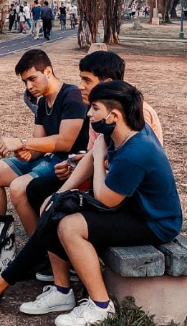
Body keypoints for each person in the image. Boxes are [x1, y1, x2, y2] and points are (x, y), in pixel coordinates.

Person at [0, 81, 183, 326]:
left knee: (70, 226)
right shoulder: (118, 131)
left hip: (155, 223)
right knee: (55, 207)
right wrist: (61, 192)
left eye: (94, 108)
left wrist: (96, 157)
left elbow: (105, 198)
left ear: (114, 115)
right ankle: (53, 291)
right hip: (134, 209)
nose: (89, 114)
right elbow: (89, 161)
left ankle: (100, 306)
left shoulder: (136, 151)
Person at [23, 51, 164, 282]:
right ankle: (56, 271)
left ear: (107, 84)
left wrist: (95, 160)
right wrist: (73, 164)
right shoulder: (97, 113)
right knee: (42, 195)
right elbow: (95, 153)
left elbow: (126, 164)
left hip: (129, 199)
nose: (80, 86)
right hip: (111, 187)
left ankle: (53, 277)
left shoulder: (137, 115)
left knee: (62, 217)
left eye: (86, 80)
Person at [0, 49, 86, 262]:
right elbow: (39, 146)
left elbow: (65, 141)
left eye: (32, 79)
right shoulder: (42, 102)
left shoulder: (71, 95)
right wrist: (25, 152)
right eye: (25, 82)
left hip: (68, 162)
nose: (29, 86)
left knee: (19, 187)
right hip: (48, 158)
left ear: (48, 71)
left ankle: (40, 254)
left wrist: (23, 142)